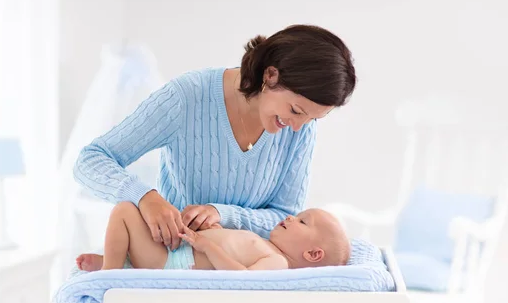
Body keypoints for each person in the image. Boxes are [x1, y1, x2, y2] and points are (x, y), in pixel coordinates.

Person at [73, 24, 357, 251]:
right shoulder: (187, 97)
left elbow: (284, 216)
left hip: (246, 281)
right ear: (270, 76)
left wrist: (222, 214)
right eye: (296, 110)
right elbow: (90, 160)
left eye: (311, 119)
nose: (298, 127)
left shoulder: (301, 127)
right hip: (180, 273)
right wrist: (145, 197)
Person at [76, 202, 351, 272]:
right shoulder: (266, 245)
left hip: (177, 260)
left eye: (303, 221)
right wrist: (216, 234)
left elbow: (241, 277)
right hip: (179, 251)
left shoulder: (277, 262)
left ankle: (109, 274)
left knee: (124, 210)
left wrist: (207, 245)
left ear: (313, 254)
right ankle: (116, 261)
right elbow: (234, 252)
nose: (291, 217)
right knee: (132, 217)